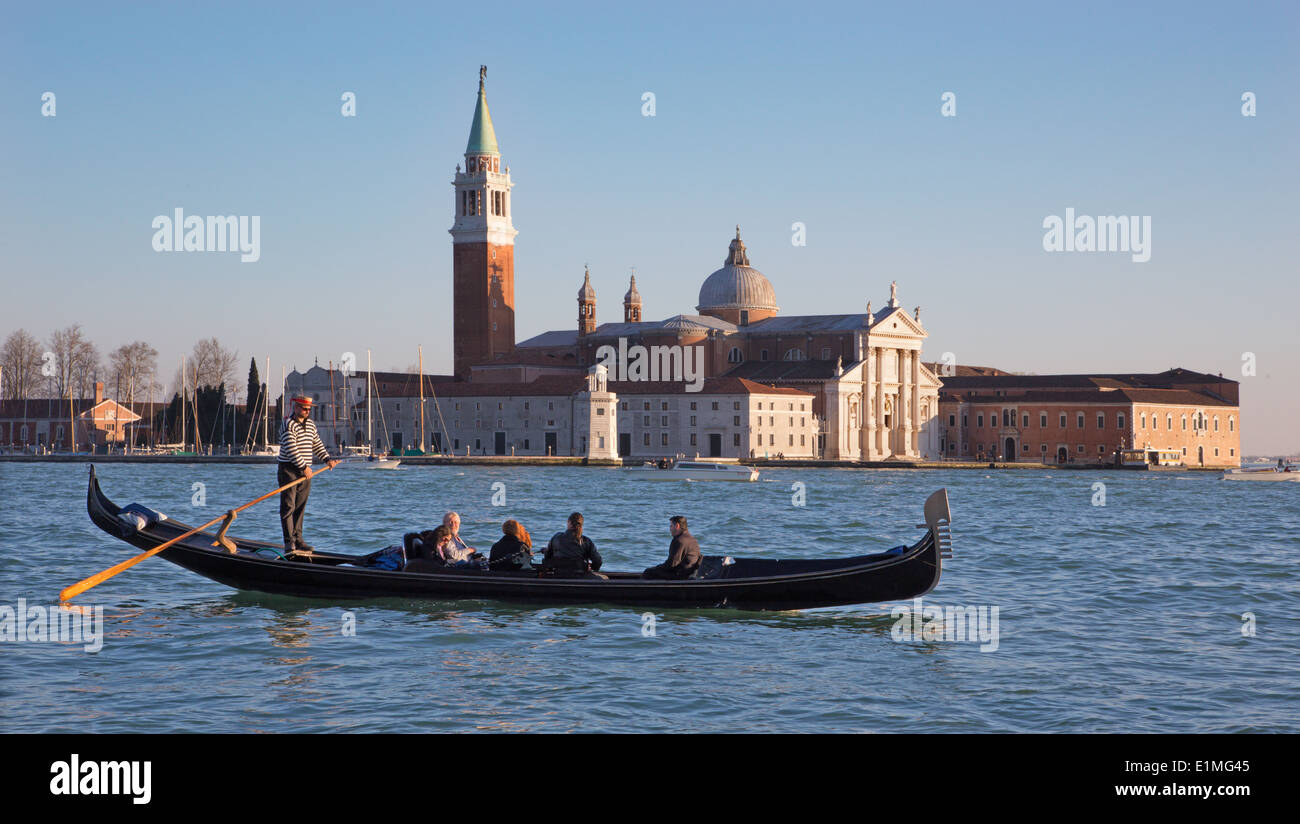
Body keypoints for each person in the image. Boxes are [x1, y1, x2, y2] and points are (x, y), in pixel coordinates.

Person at [277, 396, 339, 553]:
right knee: (288, 506)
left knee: (300, 506)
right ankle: (288, 542)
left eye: (310, 409)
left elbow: (316, 443)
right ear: (296, 408)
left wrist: (327, 459)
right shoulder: (288, 424)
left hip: (306, 472)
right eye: (305, 409)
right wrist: (303, 466)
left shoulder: (311, 425)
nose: (308, 411)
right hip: (288, 470)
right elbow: (291, 448)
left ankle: (298, 540)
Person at [544, 512, 603, 576]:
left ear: (569, 522)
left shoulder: (556, 537)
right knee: (605, 578)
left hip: (559, 576)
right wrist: (592, 569)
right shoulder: (586, 541)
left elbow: (547, 557)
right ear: (581, 525)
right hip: (580, 577)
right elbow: (598, 561)